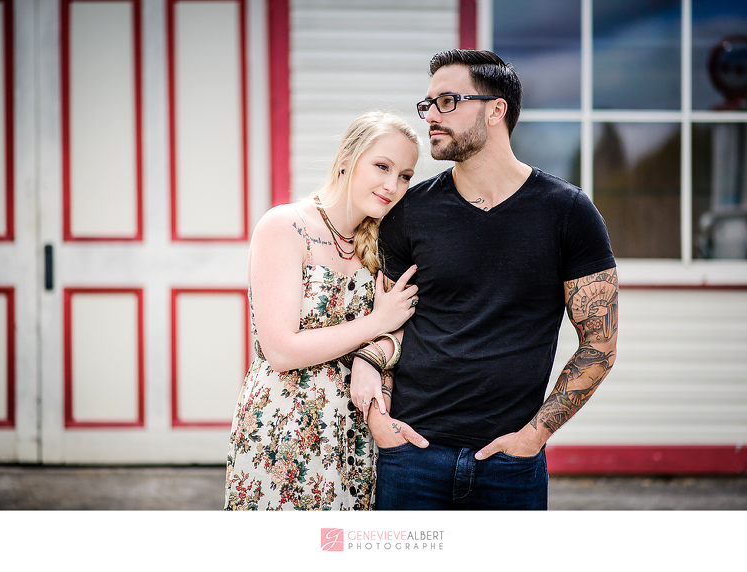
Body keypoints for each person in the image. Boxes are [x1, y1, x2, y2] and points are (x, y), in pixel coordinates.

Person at [350, 49, 619, 510]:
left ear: (497, 110)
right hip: (411, 456)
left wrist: (535, 436)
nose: (432, 115)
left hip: (511, 464)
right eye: (429, 103)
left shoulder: (567, 212)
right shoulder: (409, 213)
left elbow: (600, 342)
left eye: (448, 101)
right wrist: (381, 422)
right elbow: (390, 325)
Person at [224, 111, 421, 510]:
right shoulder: (286, 226)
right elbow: (281, 351)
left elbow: (402, 328)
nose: (392, 185)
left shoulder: (384, 244)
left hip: (351, 431)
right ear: (347, 157)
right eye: (382, 166)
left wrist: (376, 352)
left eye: (404, 175)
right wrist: (377, 321)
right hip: (283, 427)